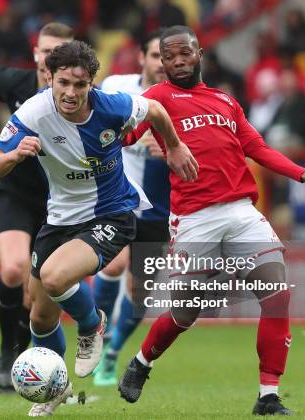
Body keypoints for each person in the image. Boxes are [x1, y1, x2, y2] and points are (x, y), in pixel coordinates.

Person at [117, 26, 305, 416]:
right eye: (167, 57)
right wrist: (133, 132)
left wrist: (304, 174)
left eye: (183, 53)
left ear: (199, 52)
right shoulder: (155, 97)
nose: (176, 62)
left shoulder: (225, 100)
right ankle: (141, 362)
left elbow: (256, 147)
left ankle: (268, 395)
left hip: (241, 211)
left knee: (276, 294)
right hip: (193, 218)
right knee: (186, 311)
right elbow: (125, 135)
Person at [0, 40, 198, 416]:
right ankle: (54, 387)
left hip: (111, 214)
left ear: (91, 84)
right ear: (49, 78)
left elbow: (157, 110)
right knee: (40, 314)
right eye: (63, 82)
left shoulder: (112, 105)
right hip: (59, 219)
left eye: (79, 85)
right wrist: (16, 155)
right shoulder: (33, 112)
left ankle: (91, 322)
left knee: (53, 277)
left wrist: (175, 146)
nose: (70, 93)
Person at [0, 22, 74, 391]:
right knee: (12, 270)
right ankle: (8, 350)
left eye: (59, 50)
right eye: (45, 50)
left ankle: (28, 351)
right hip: (13, 189)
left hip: (59, 202)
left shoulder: (81, 99)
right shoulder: (15, 83)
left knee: (38, 290)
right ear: (36, 53)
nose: (49, 57)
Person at [92, 28, 170, 387]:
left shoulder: (183, 100)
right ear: (142, 58)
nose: (161, 63)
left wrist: (172, 149)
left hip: (159, 209)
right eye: (155, 55)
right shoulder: (116, 88)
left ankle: (111, 354)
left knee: (141, 290)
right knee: (114, 263)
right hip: (118, 198)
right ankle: (97, 335)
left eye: (167, 57)